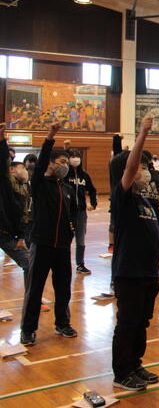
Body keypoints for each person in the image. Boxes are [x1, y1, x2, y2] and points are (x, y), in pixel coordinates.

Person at [109, 116, 159, 391]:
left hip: (148, 272)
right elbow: (130, 167)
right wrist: (143, 133)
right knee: (128, 323)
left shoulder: (145, 201)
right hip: (129, 272)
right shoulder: (123, 197)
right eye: (141, 167)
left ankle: (135, 363)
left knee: (142, 322)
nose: (145, 171)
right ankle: (122, 373)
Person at [20, 122, 77, 347]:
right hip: (41, 244)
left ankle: (62, 323)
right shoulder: (40, 184)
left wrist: (70, 233)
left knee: (63, 288)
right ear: (51, 164)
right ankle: (28, 330)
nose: (64, 166)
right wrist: (50, 137)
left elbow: (73, 215)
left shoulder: (67, 189)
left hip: (62, 246)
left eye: (67, 163)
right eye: (61, 162)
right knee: (35, 289)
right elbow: (41, 160)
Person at [1, 124, 28, 281]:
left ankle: (32, 296)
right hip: (5, 230)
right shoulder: (6, 180)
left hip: (8, 233)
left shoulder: (23, 188)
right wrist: (2, 142)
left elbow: (21, 213)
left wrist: (21, 236)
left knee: (29, 263)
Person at [65, 146, 97, 275]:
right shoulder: (65, 175)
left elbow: (92, 190)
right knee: (66, 238)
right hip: (67, 212)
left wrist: (93, 203)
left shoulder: (84, 175)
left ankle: (80, 264)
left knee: (81, 239)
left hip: (81, 212)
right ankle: (62, 263)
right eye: (72, 156)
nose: (75, 159)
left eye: (77, 156)